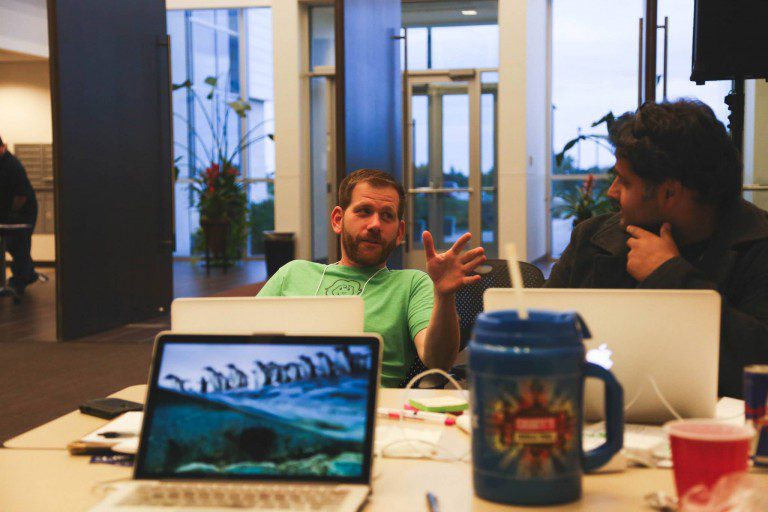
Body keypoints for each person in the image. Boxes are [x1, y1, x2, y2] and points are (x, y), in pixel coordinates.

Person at [546, 99, 768, 398]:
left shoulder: (758, 246)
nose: (612, 192)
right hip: (593, 421)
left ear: (669, 192)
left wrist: (671, 275)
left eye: (623, 182)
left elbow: (757, 365)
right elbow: (541, 335)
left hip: (724, 436)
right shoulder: (591, 238)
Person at [258, 168, 486, 387]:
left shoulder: (412, 284)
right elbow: (239, 337)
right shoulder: (293, 273)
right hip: (282, 398)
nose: (375, 225)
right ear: (338, 220)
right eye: (364, 211)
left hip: (371, 408)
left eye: (387, 216)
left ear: (399, 233)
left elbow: (438, 361)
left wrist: (444, 297)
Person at [0, 136, 39, 296]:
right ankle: (27, 275)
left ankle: (22, 279)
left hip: (22, 213)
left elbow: (21, 196)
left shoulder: (12, 165)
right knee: (13, 246)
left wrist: (9, 214)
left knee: (18, 245)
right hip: (11, 212)